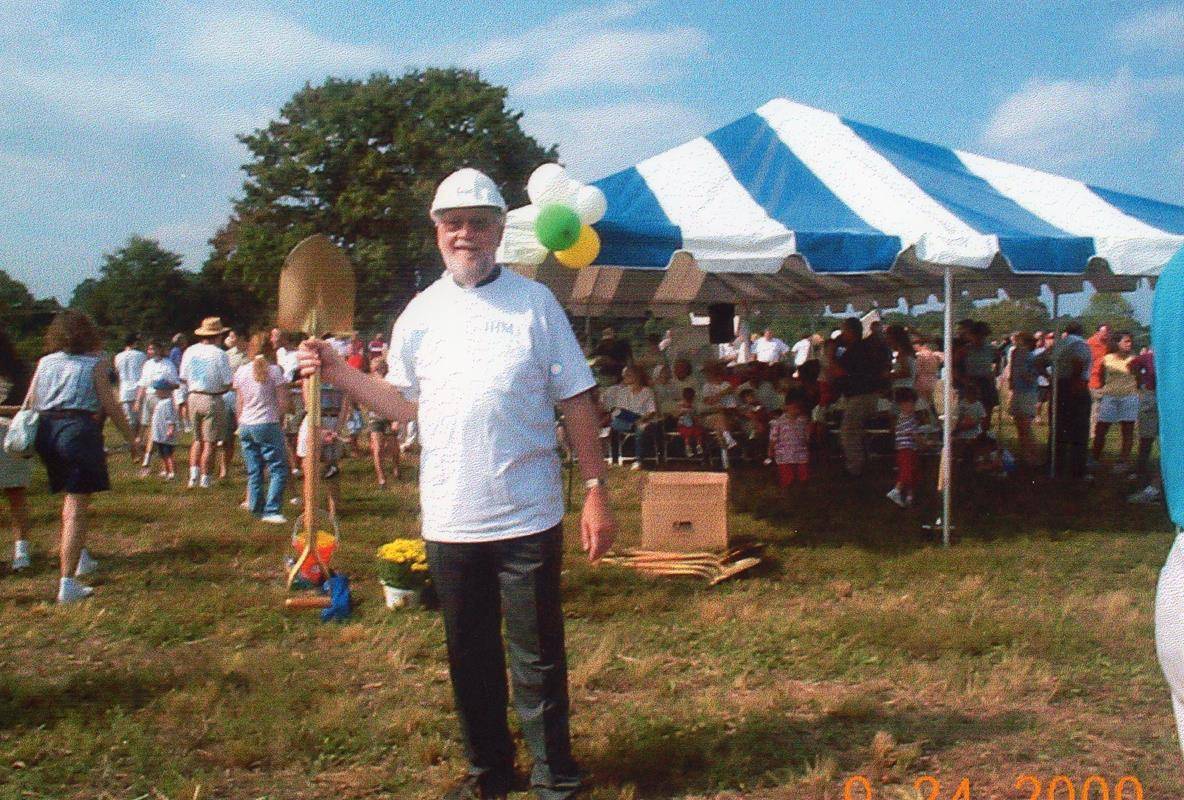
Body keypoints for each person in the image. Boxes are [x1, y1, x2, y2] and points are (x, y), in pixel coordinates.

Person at [297, 167, 615, 800]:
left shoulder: (535, 303)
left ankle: (556, 777)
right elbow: (403, 403)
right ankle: (488, 775)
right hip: (450, 518)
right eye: (453, 224)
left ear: (499, 231)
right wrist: (335, 370)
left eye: (478, 223)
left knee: (537, 657)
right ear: (436, 232)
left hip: (528, 515)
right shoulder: (419, 314)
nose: (465, 234)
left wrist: (596, 489)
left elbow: (577, 398)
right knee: (468, 658)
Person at [31, 310, 137, 603]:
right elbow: (111, 406)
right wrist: (132, 439)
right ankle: (67, 583)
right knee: (77, 505)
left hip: (47, 432)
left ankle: (81, 556)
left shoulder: (45, 363)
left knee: (69, 498)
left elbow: (31, 401)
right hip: (78, 430)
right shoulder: (96, 364)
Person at [234, 333, 290, 522]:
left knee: (254, 469)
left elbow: (239, 402)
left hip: (246, 424)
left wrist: (239, 423)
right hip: (267, 422)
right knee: (278, 468)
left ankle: (255, 507)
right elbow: (283, 403)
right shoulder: (274, 371)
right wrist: (281, 418)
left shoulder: (241, 371)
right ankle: (272, 510)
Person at [179, 317, 233, 489]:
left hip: (193, 395)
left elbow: (183, 377)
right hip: (212, 397)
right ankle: (205, 478)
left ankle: (193, 476)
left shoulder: (190, 351)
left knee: (196, 439)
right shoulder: (220, 354)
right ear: (218, 335)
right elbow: (227, 381)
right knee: (209, 441)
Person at [835, 317, 890, 477]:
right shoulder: (868, 347)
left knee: (849, 432)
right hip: (870, 393)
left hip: (859, 395)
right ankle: (862, 462)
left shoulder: (854, 350)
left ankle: (854, 467)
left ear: (850, 332)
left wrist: (832, 355)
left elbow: (840, 371)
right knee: (858, 431)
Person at [0, 329, 33, 571]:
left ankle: (21, 552)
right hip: (14, 435)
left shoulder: (20, 372)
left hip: (9, 432)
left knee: (16, 496)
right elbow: (28, 406)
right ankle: (21, 552)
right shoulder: (21, 372)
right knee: (16, 496)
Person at [1048, 321, 1092, 479]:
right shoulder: (1079, 344)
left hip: (1059, 385)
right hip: (1075, 385)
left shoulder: (1059, 345)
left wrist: (1049, 378)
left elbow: (1040, 361)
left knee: (1058, 428)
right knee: (1079, 430)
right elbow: (1078, 363)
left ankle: (1055, 464)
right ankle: (1076, 469)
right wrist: (1075, 383)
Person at [1092, 331, 1138, 471]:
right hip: (1110, 397)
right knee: (1101, 428)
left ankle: (1123, 461)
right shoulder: (1106, 359)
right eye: (1126, 341)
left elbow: (1138, 377)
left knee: (1127, 430)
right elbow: (1099, 375)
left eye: (1130, 341)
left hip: (1129, 396)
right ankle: (1094, 457)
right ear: (1117, 343)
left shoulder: (1134, 359)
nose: (1129, 344)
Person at [601, 364, 660, 470]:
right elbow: (620, 411)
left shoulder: (647, 392)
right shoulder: (623, 392)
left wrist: (640, 420)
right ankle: (614, 459)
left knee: (641, 428)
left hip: (644, 420)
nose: (624, 378)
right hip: (628, 420)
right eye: (624, 376)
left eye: (627, 375)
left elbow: (651, 412)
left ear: (636, 376)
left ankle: (639, 461)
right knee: (615, 423)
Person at [365, 356, 400, 488]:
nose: (377, 370)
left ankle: (396, 467)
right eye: (375, 367)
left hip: (390, 418)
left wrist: (396, 420)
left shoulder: (392, 383)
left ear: (385, 368)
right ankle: (381, 478)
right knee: (378, 449)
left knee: (393, 448)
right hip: (375, 419)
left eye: (380, 367)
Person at [1008, 332, 1040, 465]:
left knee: (1025, 426)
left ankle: (1030, 455)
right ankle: (1025, 454)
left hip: (1027, 392)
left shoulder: (1028, 355)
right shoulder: (1018, 354)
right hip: (1019, 391)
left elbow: (1029, 375)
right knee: (1020, 425)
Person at [220, 329, 248, 481]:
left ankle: (248, 466)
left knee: (245, 432)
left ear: (241, 337)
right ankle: (224, 469)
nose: (229, 339)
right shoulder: (228, 355)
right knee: (227, 435)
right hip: (230, 395)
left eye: (232, 336)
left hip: (245, 396)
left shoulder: (251, 356)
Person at [113, 334, 147, 456]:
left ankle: (130, 440)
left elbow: (117, 373)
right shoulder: (141, 355)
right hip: (138, 388)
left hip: (125, 389)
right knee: (139, 418)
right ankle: (137, 440)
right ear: (135, 343)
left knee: (129, 418)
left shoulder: (118, 357)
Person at [768, 390, 811, 487]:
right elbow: (773, 438)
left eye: (799, 408)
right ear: (787, 406)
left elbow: (807, 436)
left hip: (801, 453)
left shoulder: (804, 420)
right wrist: (770, 450)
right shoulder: (778, 422)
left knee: (803, 478)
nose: (797, 410)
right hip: (784, 455)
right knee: (788, 480)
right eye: (795, 407)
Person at [887, 387, 922, 507]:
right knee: (906, 472)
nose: (912, 407)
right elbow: (914, 435)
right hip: (905, 450)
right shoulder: (907, 419)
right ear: (902, 404)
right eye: (909, 404)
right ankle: (896, 491)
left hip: (910, 449)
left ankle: (909, 496)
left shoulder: (905, 418)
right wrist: (923, 442)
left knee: (912, 472)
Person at [146, 379, 179, 481]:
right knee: (162, 454)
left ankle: (172, 472)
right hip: (159, 434)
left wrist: (170, 429)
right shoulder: (161, 402)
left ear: (165, 391)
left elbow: (170, 418)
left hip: (166, 434)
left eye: (158, 390)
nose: (156, 392)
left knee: (168, 454)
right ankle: (165, 470)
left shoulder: (168, 403)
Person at [675, 387, 705, 457]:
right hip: (683, 425)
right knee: (687, 434)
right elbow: (676, 415)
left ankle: (699, 446)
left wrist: (694, 415)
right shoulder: (680, 405)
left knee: (699, 432)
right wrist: (682, 411)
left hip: (693, 424)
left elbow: (697, 416)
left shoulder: (694, 405)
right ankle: (688, 447)